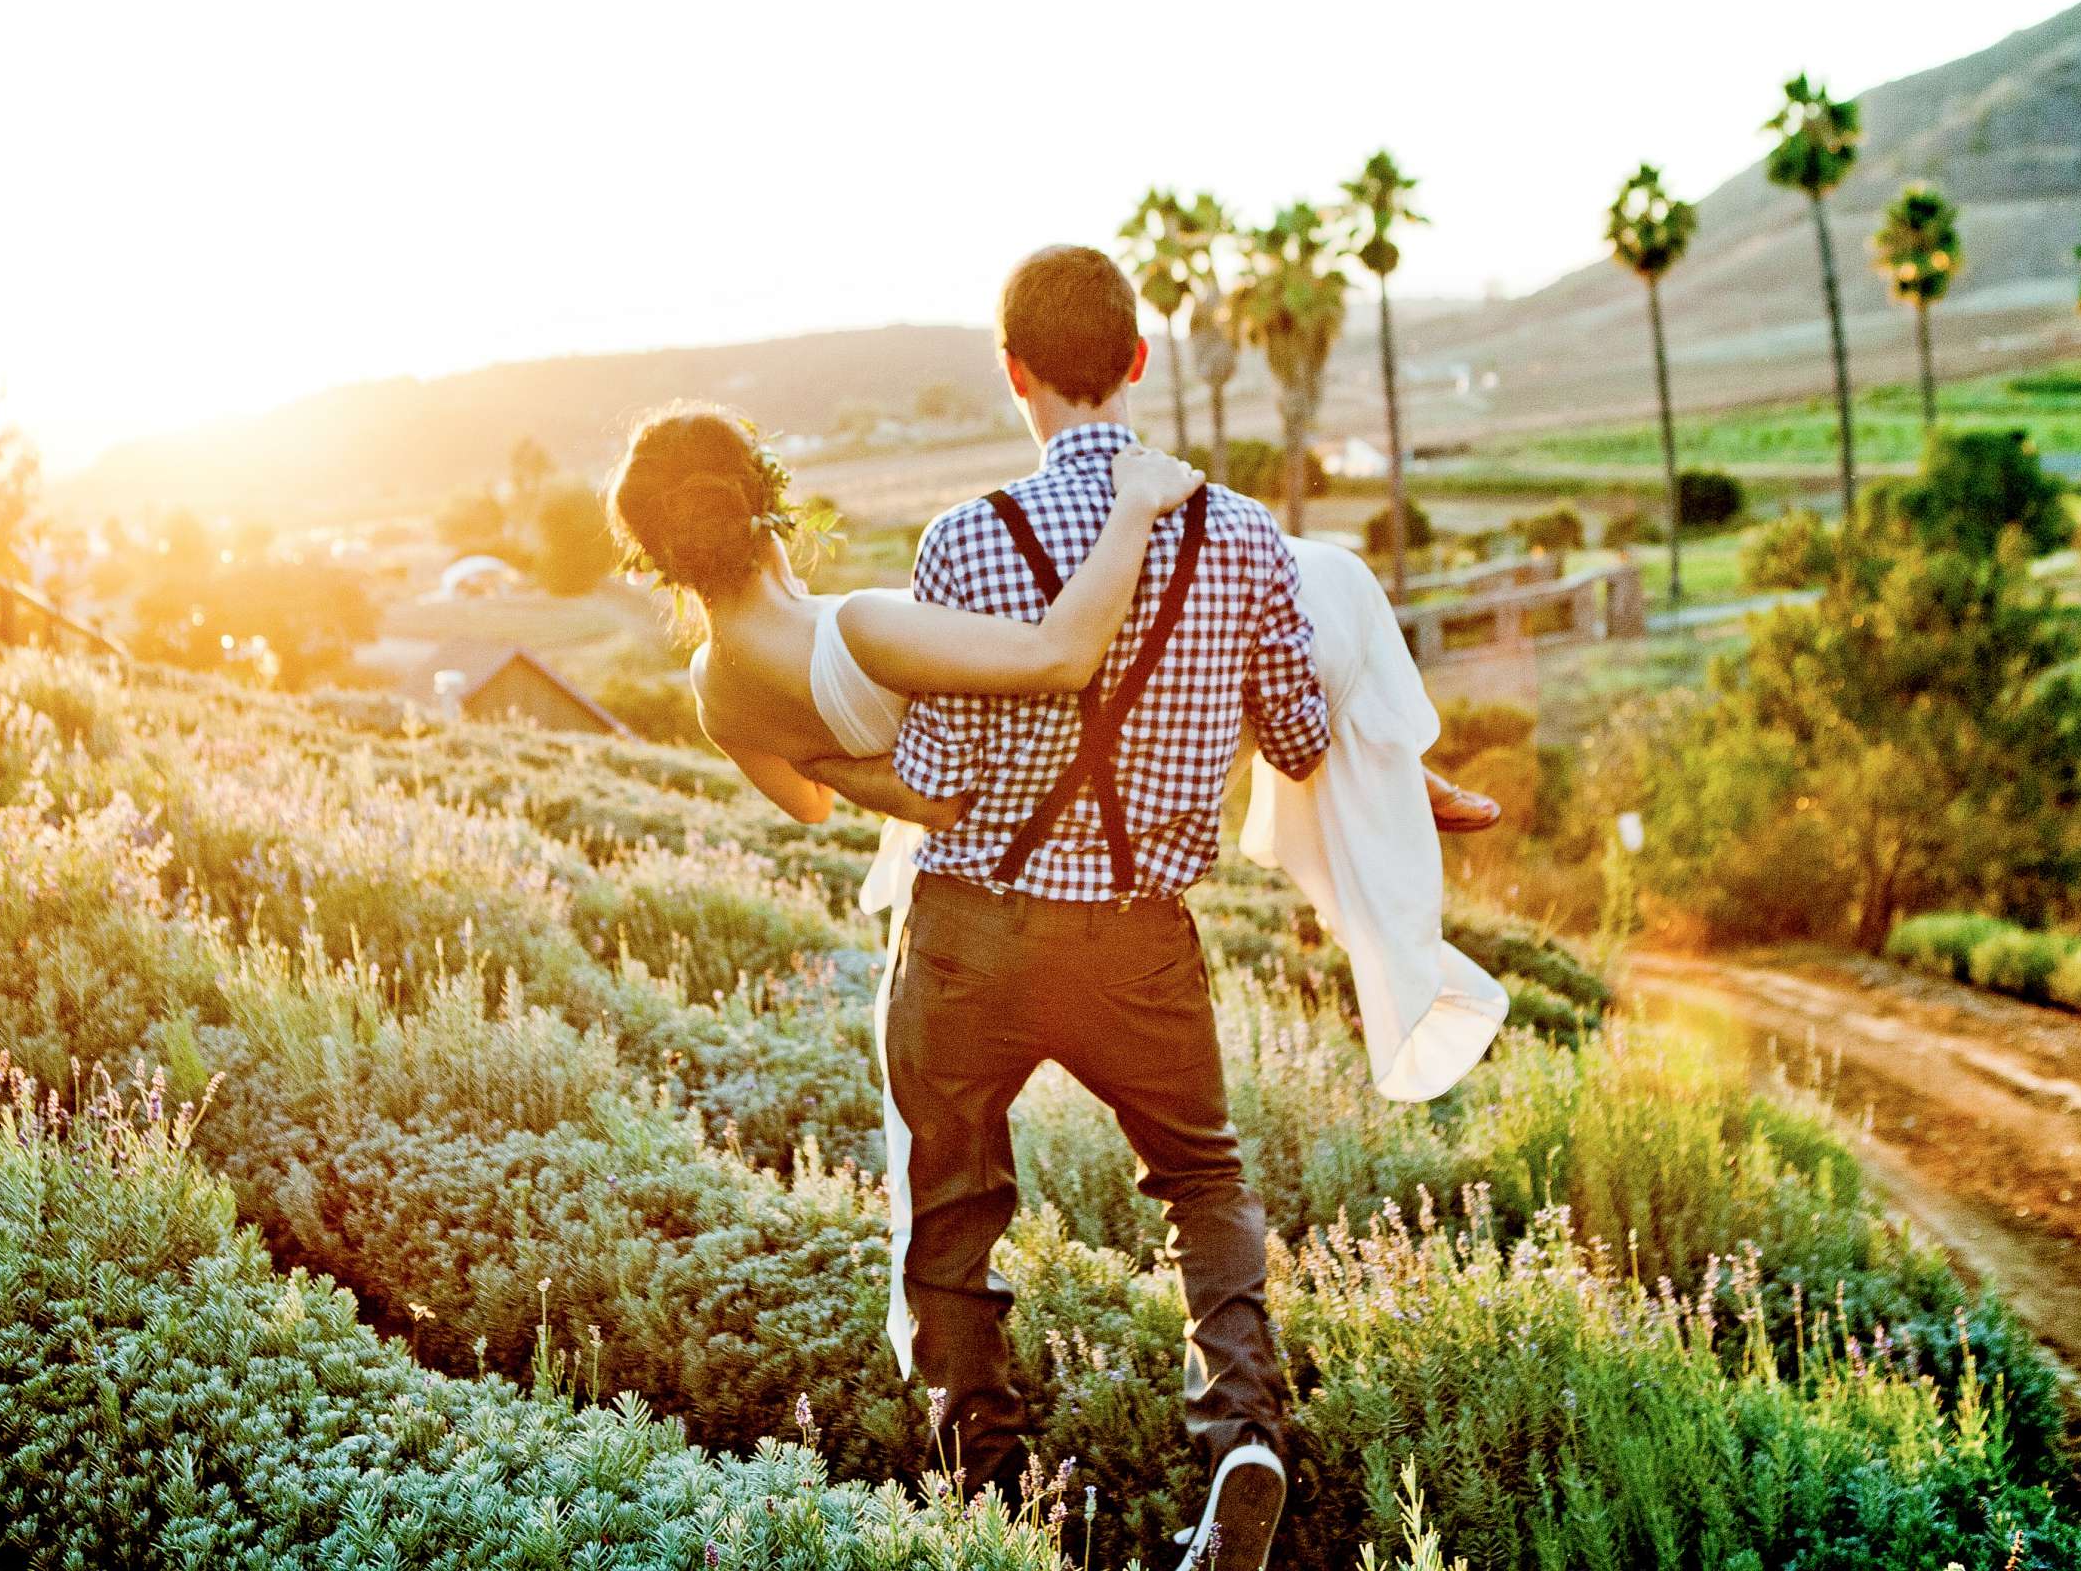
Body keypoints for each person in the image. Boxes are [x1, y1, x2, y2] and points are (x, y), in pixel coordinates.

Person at [605, 246, 1510, 1571]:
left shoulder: (965, 539)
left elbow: (940, 783)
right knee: (1204, 1182)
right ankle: (1242, 1434)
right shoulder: (1244, 537)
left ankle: (1002, 1491)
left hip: (973, 931)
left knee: (951, 1198)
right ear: (1138, 361)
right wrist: (1392, 775)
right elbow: (1305, 743)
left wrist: (831, 765)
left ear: (1013, 373)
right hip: (1142, 934)